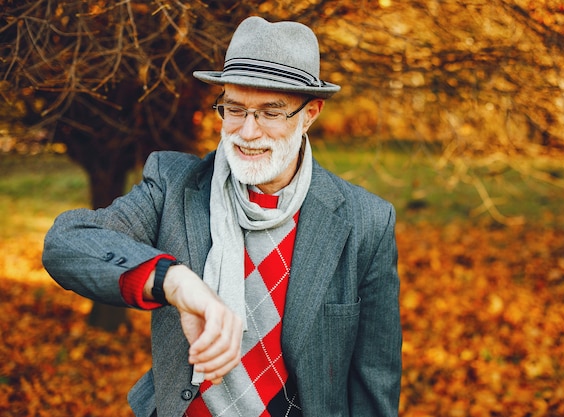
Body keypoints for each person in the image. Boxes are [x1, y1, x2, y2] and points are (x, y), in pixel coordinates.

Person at [43, 16, 401, 417]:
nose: (248, 132)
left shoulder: (365, 221)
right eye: (234, 109)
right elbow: (68, 241)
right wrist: (174, 282)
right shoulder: (173, 185)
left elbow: (375, 382)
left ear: (310, 114)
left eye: (270, 112)